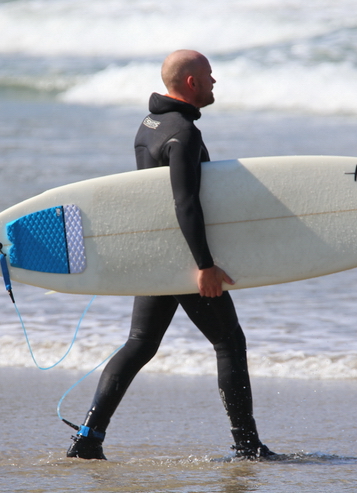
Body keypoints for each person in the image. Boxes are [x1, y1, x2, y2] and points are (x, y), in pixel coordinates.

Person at [66, 50, 275, 460]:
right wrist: (204, 266)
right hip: (182, 256)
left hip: (155, 253)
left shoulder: (150, 124)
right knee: (229, 342)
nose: (215, 82)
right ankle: (247, 447)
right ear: (192, 83)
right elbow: (186, 204)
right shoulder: (184, 132)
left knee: (140, 344)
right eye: (210, 76)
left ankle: (88, 439)